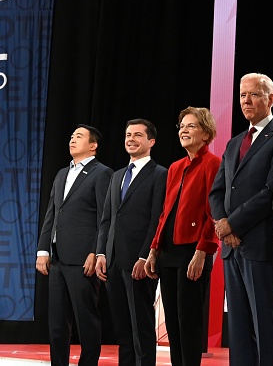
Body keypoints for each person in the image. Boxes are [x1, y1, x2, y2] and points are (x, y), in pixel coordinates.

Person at [209, 73, 273, 366]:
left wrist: (233, 224)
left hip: (260, 244)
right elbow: (217, 192)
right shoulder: (234, 142)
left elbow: (272, 190)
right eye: (242, 95)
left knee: (264, 322)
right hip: (231, 247)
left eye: (254, 94)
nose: (246, 100)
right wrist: (223, 226)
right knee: (238, 325)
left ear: (271, 99)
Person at [144, 106, 221, 366]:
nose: (184, 131)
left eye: (191, 126)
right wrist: (154, 248)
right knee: (174, 323)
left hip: (192, 251)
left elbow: (213, 213)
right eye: (182, 127)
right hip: (168, 251)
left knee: (189, 322)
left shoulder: (214, 164)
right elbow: (166, 212)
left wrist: (203, 251)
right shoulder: (176, 167)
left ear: (206, 134)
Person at [36, 124, 113, 366]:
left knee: (86, 320)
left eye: (79, 136)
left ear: (93, 145)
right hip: (57, 258)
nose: (72, 139)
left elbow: (105, 217)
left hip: (83, 259)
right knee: (57, 323)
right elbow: (51, 214)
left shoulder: (102, 173)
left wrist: (96, 251)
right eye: (71, 136)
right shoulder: (61, 174)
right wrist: (43, 250)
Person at [95, 118, 167, 366]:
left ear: (151, 142)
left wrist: (145, 256)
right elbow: (106, 219)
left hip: (138, 262)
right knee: (123, 329)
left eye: (138, 135)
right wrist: (101, 254)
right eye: (128, 135)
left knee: (142, 327)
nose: (131, 139)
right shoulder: (116, 176)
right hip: (112, 261)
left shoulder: (160, 174)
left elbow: (158, 219)